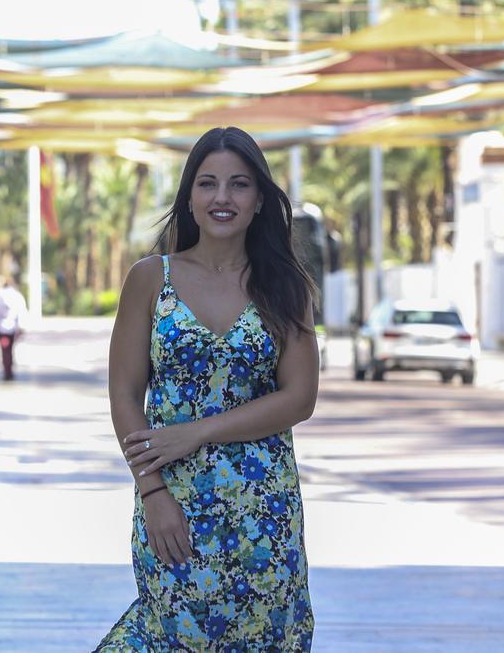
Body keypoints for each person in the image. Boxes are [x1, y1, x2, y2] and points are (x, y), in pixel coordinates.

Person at [96, 126, 319, 651]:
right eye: (208, 184)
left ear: (260, 199)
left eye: (239, 185)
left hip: (264, 511)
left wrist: (196, 433)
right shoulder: (151, 279)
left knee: (264, 636)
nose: (223, 197)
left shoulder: (285, 285)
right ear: (190, 198)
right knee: (166, 633)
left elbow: (299, 398)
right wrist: (152, 492)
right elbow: (125, 396)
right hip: (173, 502)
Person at [0, 274, 27, 381]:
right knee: (10, 348)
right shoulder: (17, 295)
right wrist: (22, 326)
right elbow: (22, 312)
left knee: (5, 350)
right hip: (13, 328)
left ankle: (7, 367)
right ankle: (9, 367)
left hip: (1, 329)